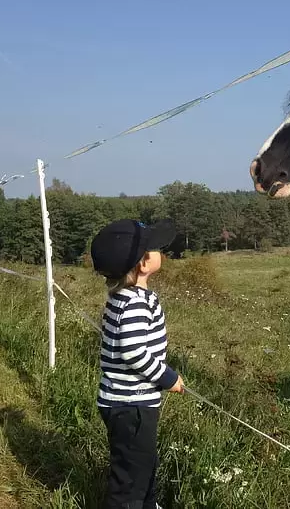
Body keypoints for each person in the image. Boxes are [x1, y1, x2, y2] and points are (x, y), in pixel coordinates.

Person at [90, 218, 185, 509]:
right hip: (132, 405)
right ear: (144, 262)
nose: (162, 252)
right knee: (130, 479)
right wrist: (168, 378)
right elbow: (133, 351)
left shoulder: (121, 297)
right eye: (156, 247)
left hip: (124, 402)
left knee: (142, 465)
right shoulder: (136, 302)